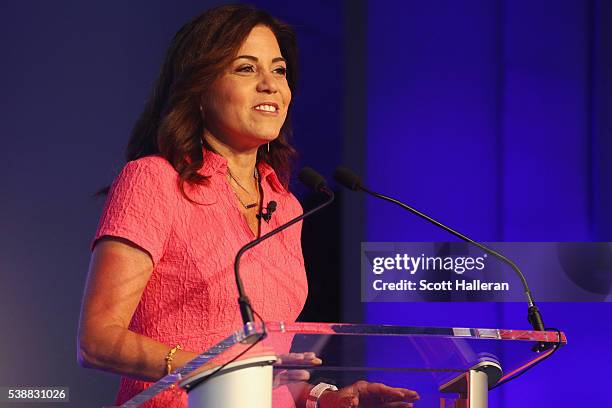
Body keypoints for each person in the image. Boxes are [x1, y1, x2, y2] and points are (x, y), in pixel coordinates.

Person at [77, 4, 419, 407]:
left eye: (279, 70)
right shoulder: (154, 180)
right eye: (245, 68)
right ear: (199, 90)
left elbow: (270, 372)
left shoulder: (287, 207)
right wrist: (212, 370)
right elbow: (97, 339)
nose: (270, 84)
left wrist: (324, 397)